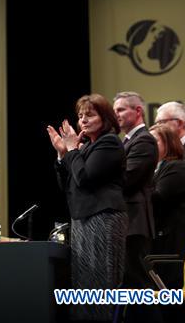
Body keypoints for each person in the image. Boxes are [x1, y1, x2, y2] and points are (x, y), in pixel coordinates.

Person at [48, 93, 127, 322]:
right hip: (82, 219)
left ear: (105, 118)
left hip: (103, 217)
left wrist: (73, 149)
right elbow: (67, 185)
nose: (83, 120)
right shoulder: (86, 148)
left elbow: (85, 177)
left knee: (101, 282)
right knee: (84, 282)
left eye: (90, 115)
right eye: (80, 115)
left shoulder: (109, 143)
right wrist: (63, 153)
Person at [149, 123, 185, 289]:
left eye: (153, 142)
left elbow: (157, 198)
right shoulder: (155, 169)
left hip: (178, 242)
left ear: (169, 144)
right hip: (166, 241)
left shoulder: (176, 167)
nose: (148, 148)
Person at [112, 92, 158, 293]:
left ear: (138, 111)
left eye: (121, 109)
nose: (116, 115)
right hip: (125, 222)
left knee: (138, 285)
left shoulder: (145, 140)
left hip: (135, 222)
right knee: (129, 285)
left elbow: (127, 179)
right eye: (114, 111)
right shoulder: (126, 141)